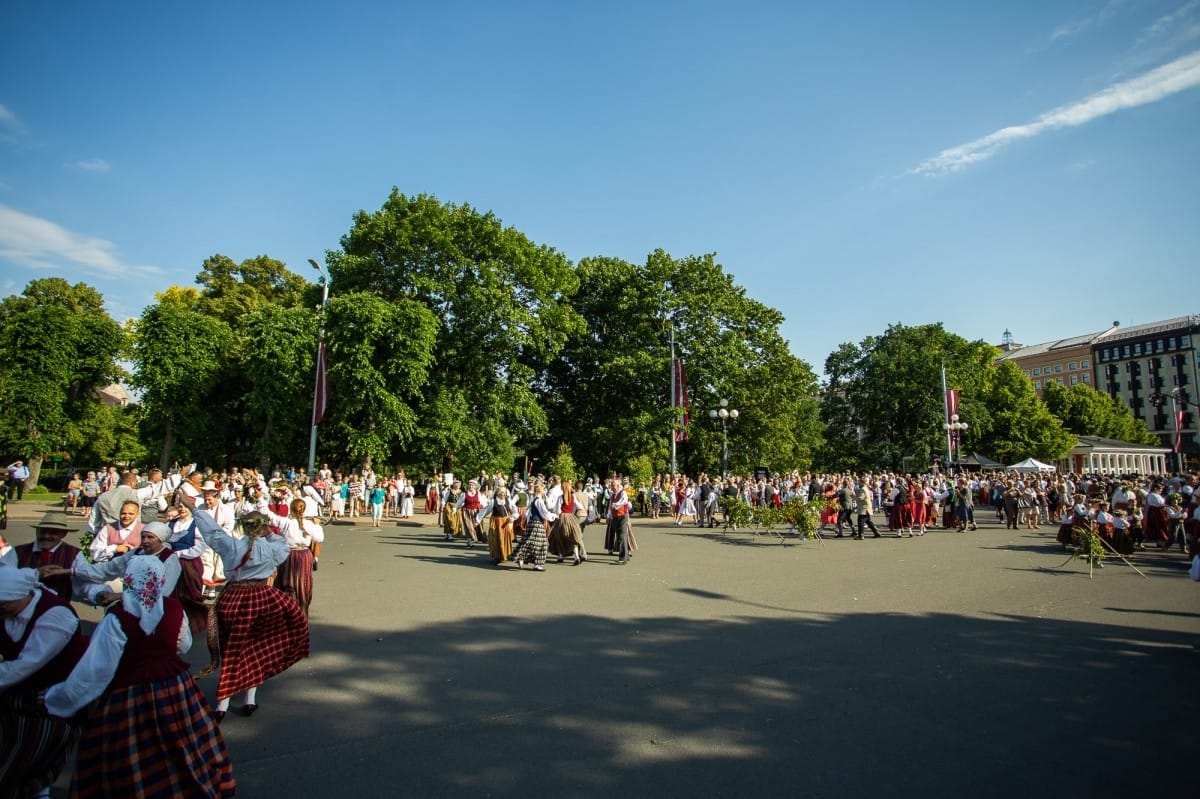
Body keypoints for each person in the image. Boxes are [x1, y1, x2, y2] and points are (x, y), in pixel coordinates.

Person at [43, 557, 236, 797]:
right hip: (174, 688)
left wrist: (58, 700)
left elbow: (96, 671)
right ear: (160, 580)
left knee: (128, 752)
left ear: (128, 581)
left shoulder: (117, 617)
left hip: (129, 693)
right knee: (183, 743)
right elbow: (183, 645)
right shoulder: (174, 608)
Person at [191, 508, 310, 720]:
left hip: (234, 598)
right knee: (256, 646)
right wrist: (268, 532)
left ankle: (224, 703)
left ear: (244, 527)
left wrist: (194, 509)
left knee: (232, 648)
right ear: (263, 527)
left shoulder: (232, 545)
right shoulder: (272, 547)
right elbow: (283, 546)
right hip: (261, 596)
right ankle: (247, 699)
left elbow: (212, 533)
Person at [0, 567, 88, 799]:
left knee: (25, 756)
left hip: (51, 699)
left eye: (4, 603)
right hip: (16, 693)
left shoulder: (56, 617)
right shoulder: (8, 609)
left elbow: (23, 666)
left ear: (23, 595)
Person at [261, 498, 321, 616]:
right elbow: (319, 538)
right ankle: (301, 614)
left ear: (291, 509)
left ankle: (286, 613)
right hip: (304, 554)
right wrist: (317, 525)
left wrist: (260, 499)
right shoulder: (309, 524)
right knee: (303, 585)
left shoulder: (286, 522)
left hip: (289, 554)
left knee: (286, 583)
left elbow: (268, 515)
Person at [15, 516, 84, 601]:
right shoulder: (17, 552)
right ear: (37, 531)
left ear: (63, 534)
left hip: (58, 609)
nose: (46, 536)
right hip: (18, 610)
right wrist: (35, 574)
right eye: (43, 531)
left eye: (53, 533)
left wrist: (97, 594)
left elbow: (85, 582)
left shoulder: (75, 554)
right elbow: (5, 578)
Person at [512, 481, 552, 570]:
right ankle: (524, 558)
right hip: (537, 524)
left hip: (534, 523)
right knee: (538, 543)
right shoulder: (539, 501)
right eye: (543, 489)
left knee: (533, 542)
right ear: (540, 490)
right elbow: (544, 513)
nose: (544, 490)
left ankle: (534, 563)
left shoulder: (536, 499)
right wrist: (553, 516)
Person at [548, 479, 588, 565]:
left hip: (562, 517)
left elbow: (558, 510)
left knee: (558, 537)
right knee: (573, 537)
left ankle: (561, 555)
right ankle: (576, 556)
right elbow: (580, 507)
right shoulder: (573, 497)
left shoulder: (560, 497)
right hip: (571, 517)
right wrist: (572, 511)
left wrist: (557, 516)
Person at [477, 484, 518, 565]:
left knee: (505, 539)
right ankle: (497, 556)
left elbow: (515, 511)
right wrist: (477, 520)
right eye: (502, 492)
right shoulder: (493, 501)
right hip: (496, 522)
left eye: (505, 492)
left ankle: (505, 555)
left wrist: (512, 518)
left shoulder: (508, 501)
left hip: (505, 523)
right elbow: (485, 511)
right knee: (496, 540)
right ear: (498, 493)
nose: (503, 494)